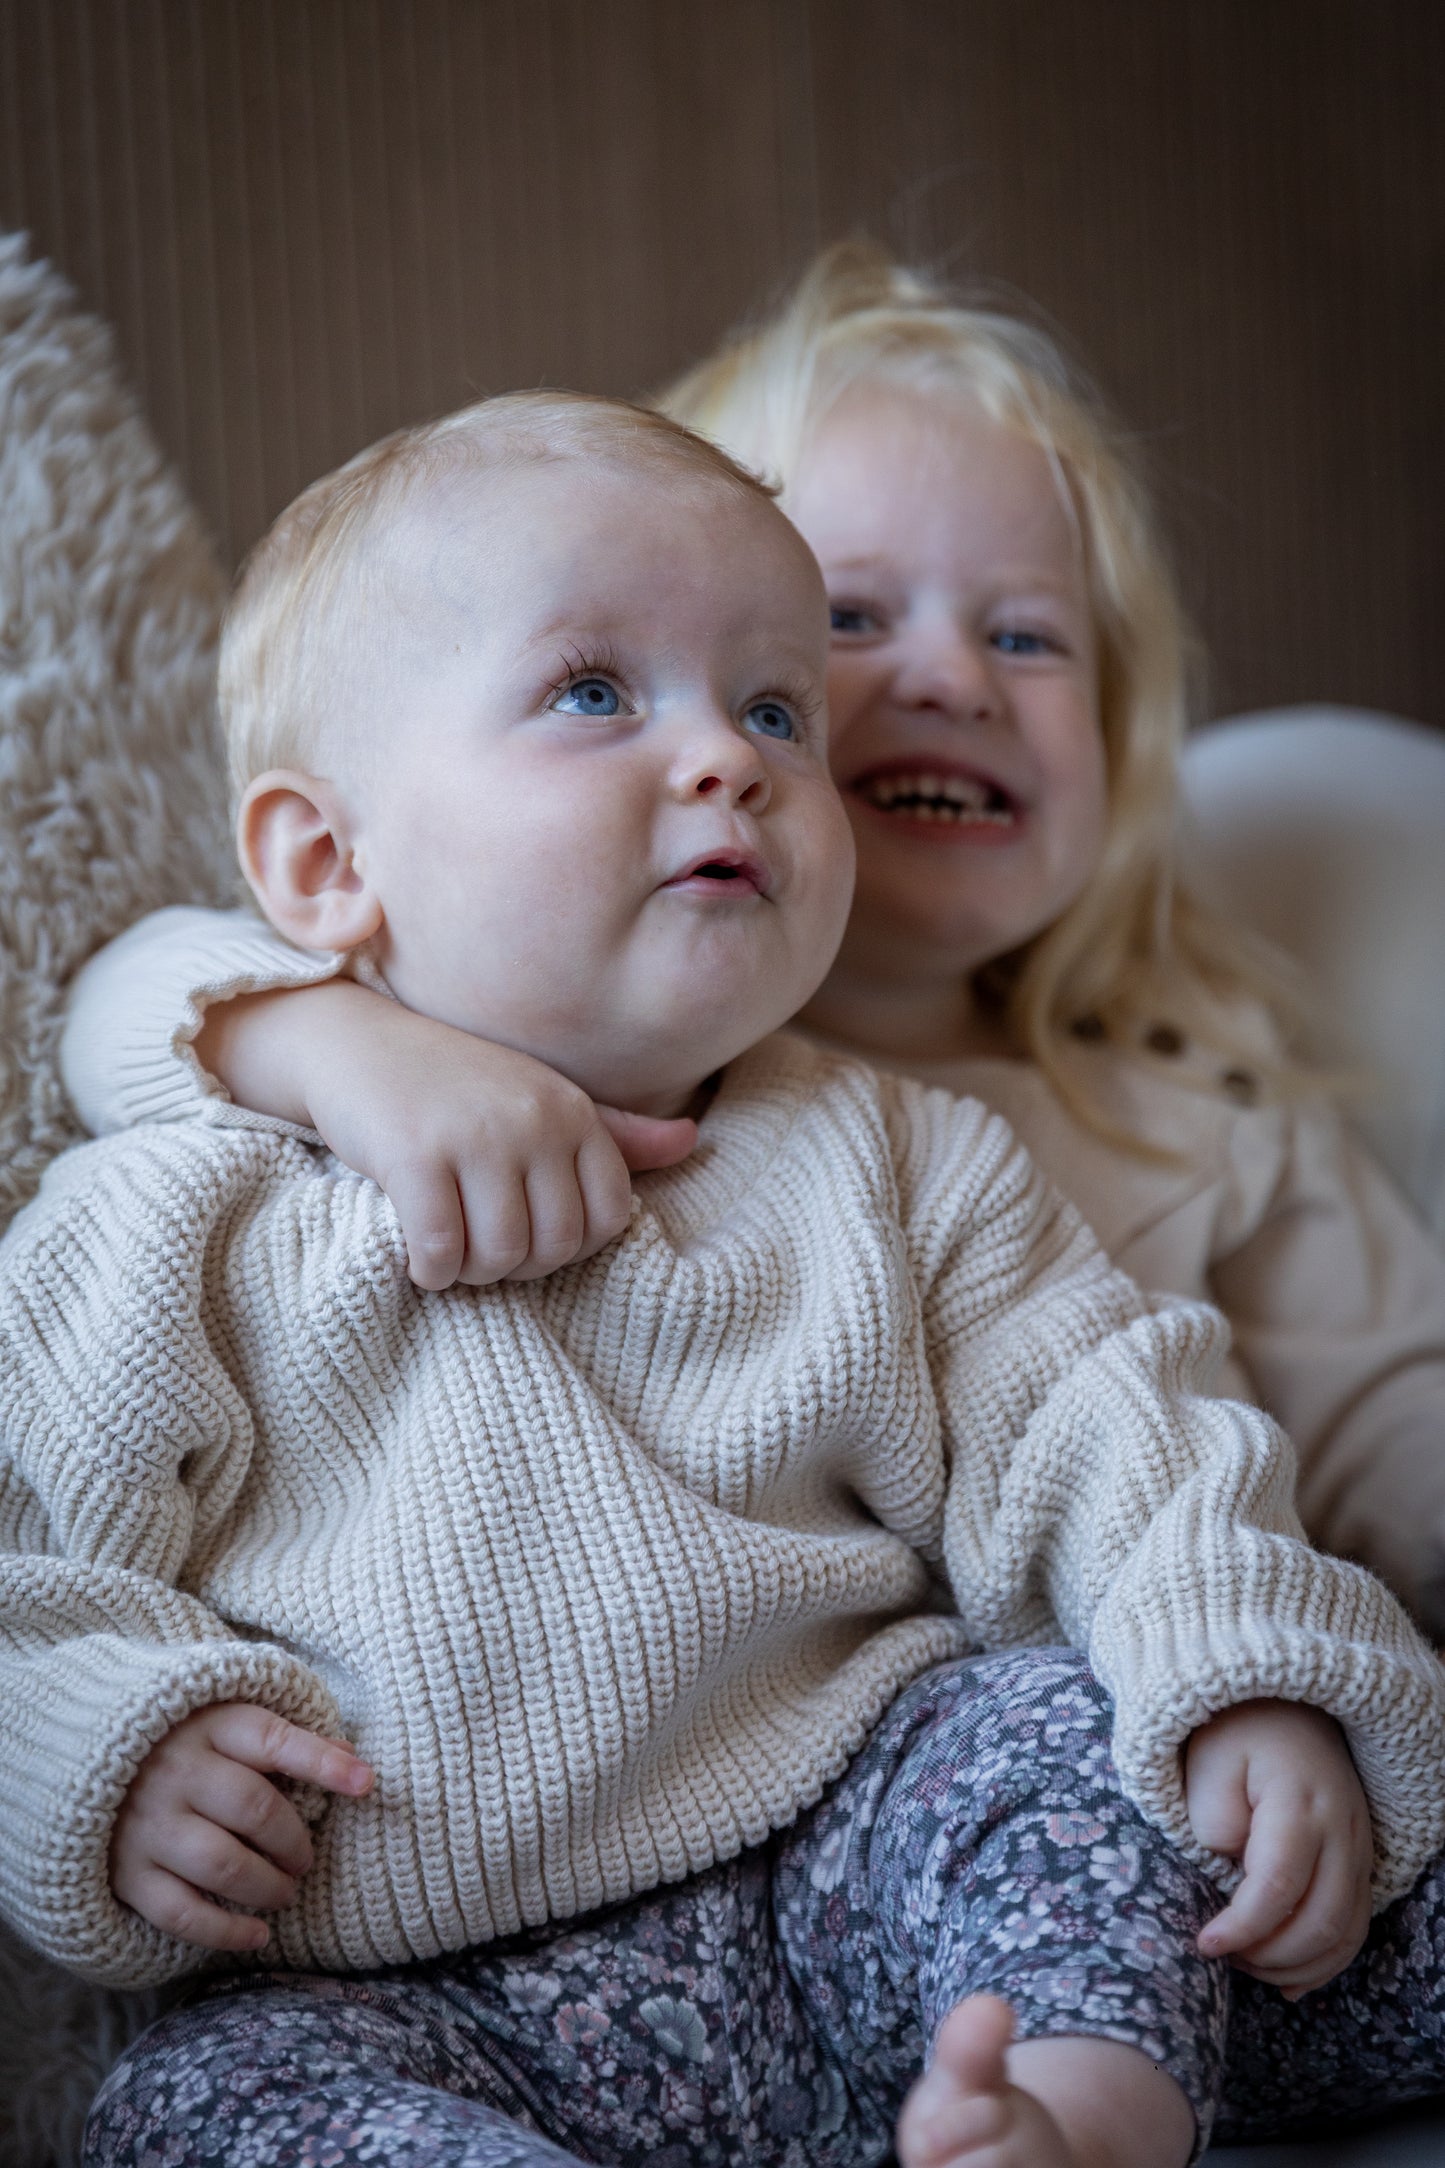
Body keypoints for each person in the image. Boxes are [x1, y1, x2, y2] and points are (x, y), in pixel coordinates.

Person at [5, 389, 1445, 2168]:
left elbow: (1115, 1425)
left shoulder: (896, 1161)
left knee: (1059, 1732)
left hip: (858, 1890)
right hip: (399, 1990)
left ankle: (1068, 2116)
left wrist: (1240, 1668)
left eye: (772, 708)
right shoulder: (177, 1218)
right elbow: (27, 1571)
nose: (731, 758)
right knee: (186, 2104)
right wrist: (112, 1750)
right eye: (592, 693)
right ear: (326, 863)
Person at [64, 245, 1445, 1638]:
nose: (954, 678)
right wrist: (339, 1048)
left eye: (1028, 637)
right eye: (848, 620)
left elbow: (1397, 1434)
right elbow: (124, 996)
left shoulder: (1203, 1107)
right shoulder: (568, 1025)